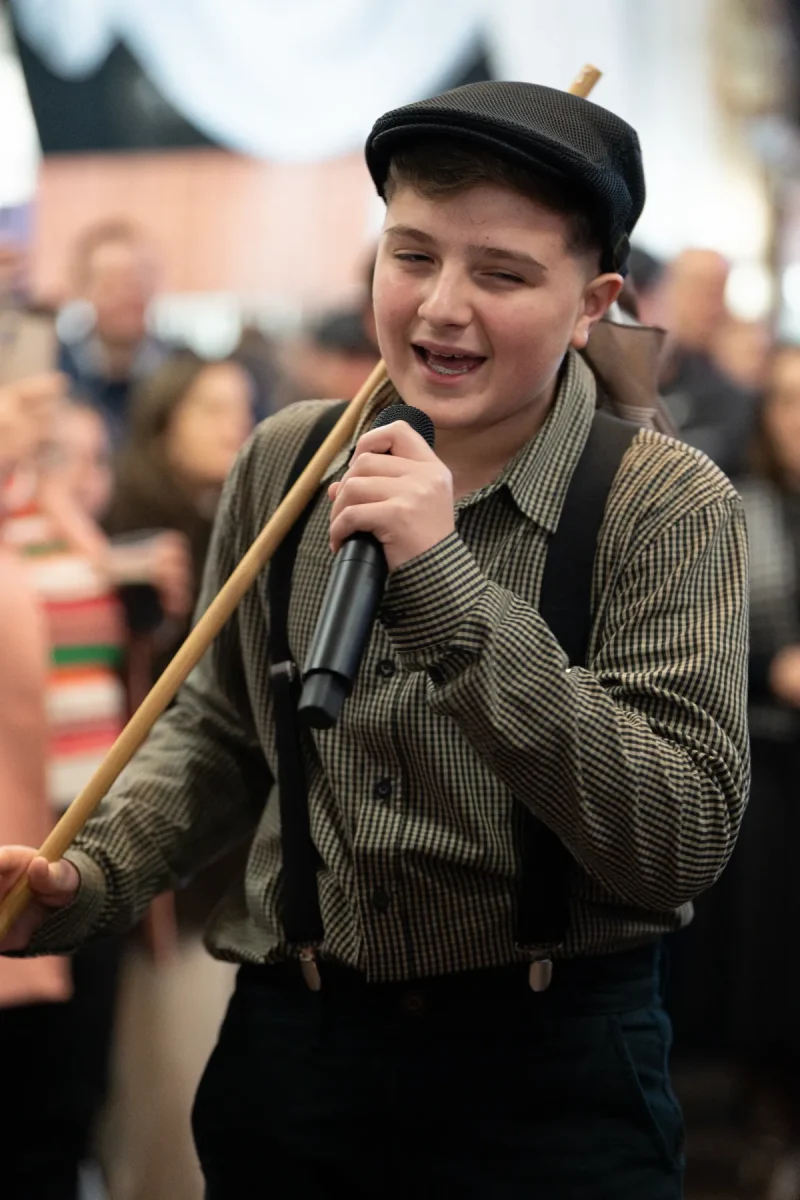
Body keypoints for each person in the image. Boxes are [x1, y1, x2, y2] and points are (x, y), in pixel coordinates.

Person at [0, 82, 749, 1198]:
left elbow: (679, 833)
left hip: (549, 1076)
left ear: (592, 303)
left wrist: (444, 586)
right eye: (412, 257)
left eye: (501, 275)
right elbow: (220, 734)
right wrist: (91, 872)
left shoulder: (664, 502)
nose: (441, 307)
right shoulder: (288, 461)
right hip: (295, 1060)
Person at [628, 245, 757, 476]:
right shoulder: (602, 384)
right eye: (700, 291)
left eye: (718, 294)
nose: (712, 308)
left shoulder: (729, 390)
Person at [57, 220, 174, 443]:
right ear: (84, 289)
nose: (130, 295)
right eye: (113, 283)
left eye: (139, 280)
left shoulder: (182, 373)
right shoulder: (58, 369)